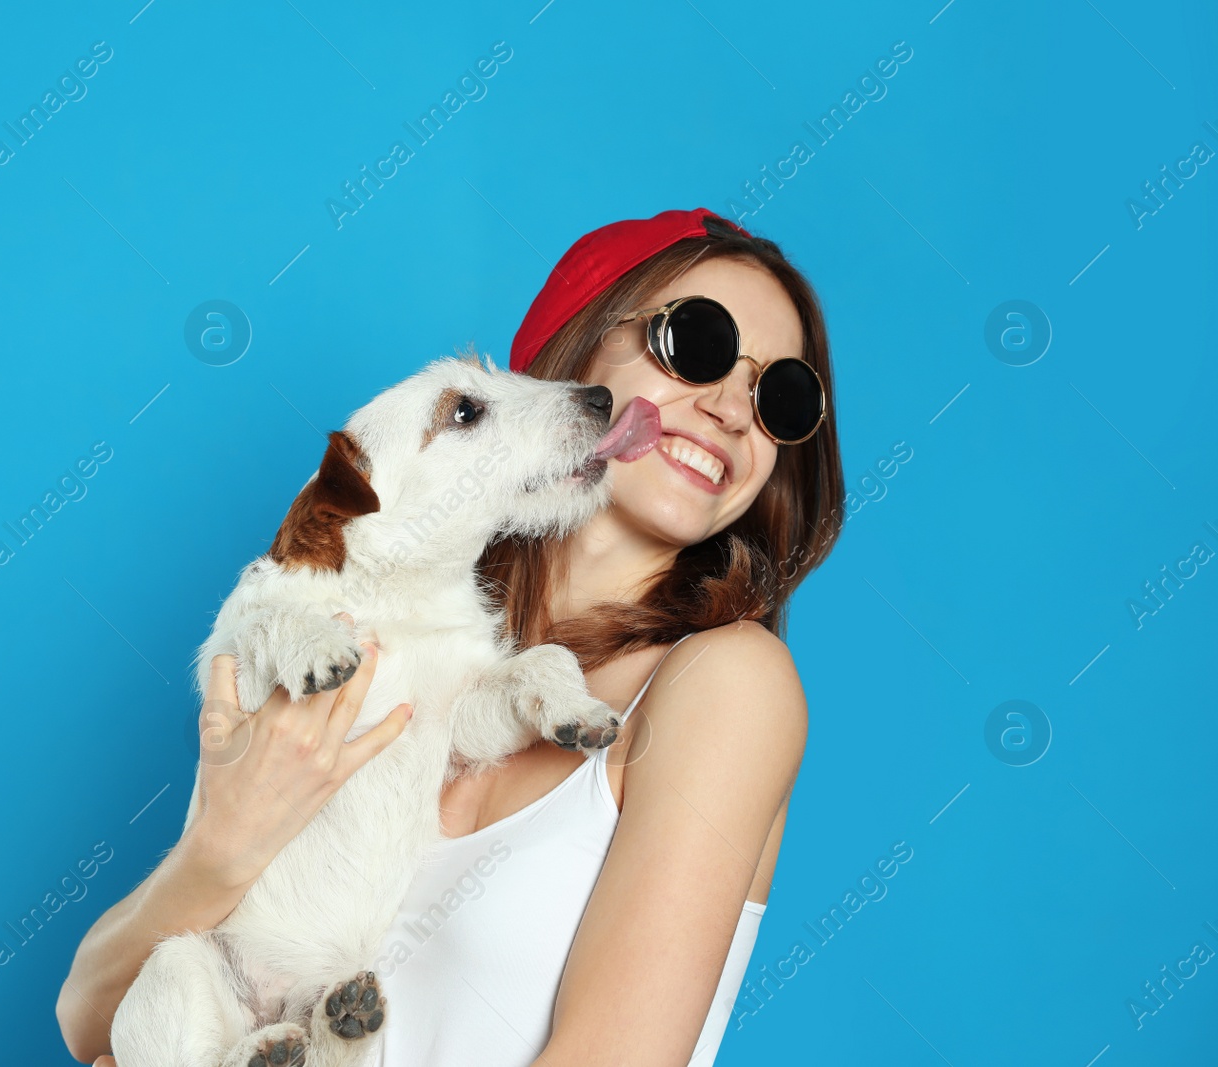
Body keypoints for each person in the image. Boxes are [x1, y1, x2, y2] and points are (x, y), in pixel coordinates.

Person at [57, 207, 843, 1066]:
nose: (734, 408)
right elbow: (90, 1018)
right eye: (695, 343)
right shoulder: (382, 659)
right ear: (573, 352)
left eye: (784, 398)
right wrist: (219, 847)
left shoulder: (728, 684)